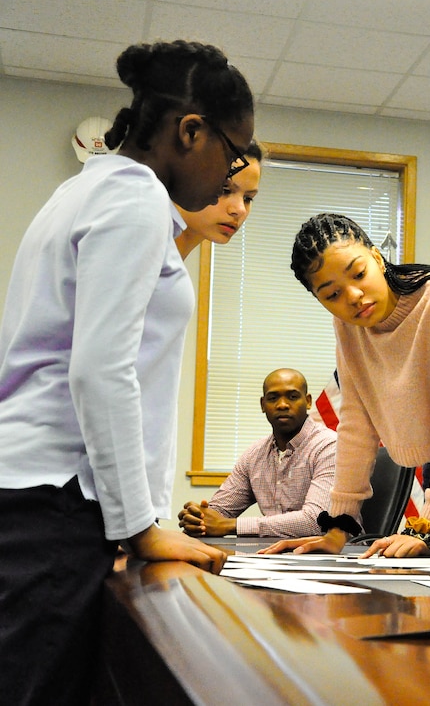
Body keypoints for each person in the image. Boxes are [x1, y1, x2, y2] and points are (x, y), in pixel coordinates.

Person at [0, 40, 253, 704]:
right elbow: (101, 370)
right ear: (190, 131)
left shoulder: (83, 188)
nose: (232, 171)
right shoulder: (138, 202)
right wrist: (138, 524)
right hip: (52, 501)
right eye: (231, 153)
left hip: (35, 493)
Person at [260, 213, 430, 558]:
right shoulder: (349, 326)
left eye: (359, 274)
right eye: (332, 294)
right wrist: (338, 527)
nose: (354, 297)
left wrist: (428, 529)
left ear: (377, 257)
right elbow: (356, 426)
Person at [177, 368, 337, 538]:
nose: (282, 404)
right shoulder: (255, 455)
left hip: (335, 554)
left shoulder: (329, 446)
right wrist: (198, 519)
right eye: (273, 398)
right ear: (262, 405)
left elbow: (316, 522)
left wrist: (231, 525)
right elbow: (220, 512)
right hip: (273, 552)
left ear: (308, 401)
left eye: (292, 396)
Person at [175, 139, 265, 258]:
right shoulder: (149, 252)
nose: (240, 210)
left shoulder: (170, 263)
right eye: (225, 190)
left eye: (248, 198)